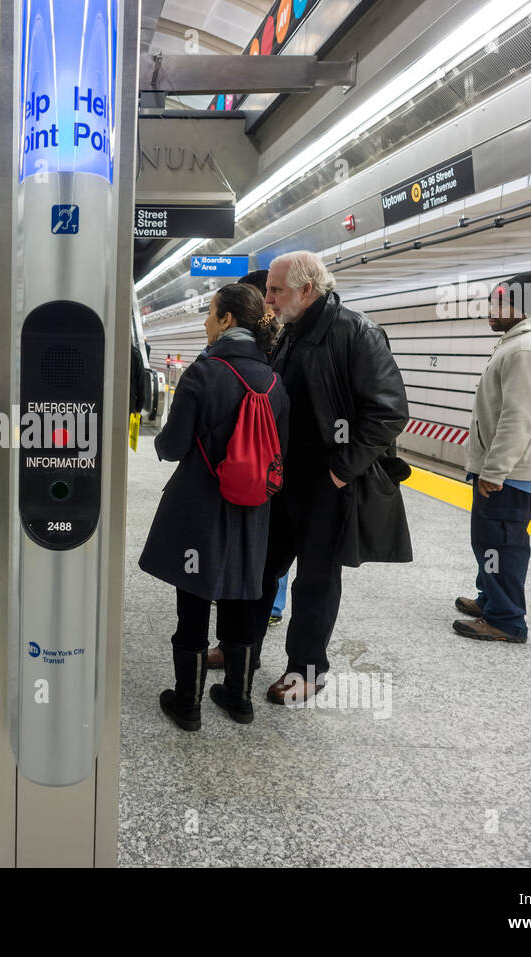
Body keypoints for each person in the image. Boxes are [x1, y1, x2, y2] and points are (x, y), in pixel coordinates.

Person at [258, 251, 411, 705]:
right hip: (282, 478)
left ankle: (306, 671)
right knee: (262, 567)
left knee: (315, 580)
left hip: (325, 483)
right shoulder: (291, 332)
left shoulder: (355, 332)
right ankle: (236, 646)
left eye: (276, 290)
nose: (268, 298)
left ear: (307, 290)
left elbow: (388, 411)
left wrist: (341, 471)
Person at [139, 283, 289, 729]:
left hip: (201, 505)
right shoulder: (276, 381)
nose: (206, 321)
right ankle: (238, 698)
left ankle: (188, 704)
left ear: (226, 321)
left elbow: (171, 445)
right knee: (244, 592)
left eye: (209, 313)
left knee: (194, 599)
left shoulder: (204, 372)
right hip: (254, 509)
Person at [455, 272, 531, 643]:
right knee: (488, 540)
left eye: (498, 303)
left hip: (510, 472)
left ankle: (505, 620)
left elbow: (518, 416)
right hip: (505, 469)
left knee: (502, 543)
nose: (490, 310)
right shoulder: (515, 343)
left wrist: (495, 470)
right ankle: (491, 600)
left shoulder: (525, 349)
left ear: (520, 306)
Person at [206, 268, 275, 669]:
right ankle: (240, 682)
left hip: (222, 487)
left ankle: (190, 693)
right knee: (252, 576)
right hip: (264, 486)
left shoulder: (209, 368)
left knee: (218, 577)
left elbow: (175, 443)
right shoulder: (272, 372)